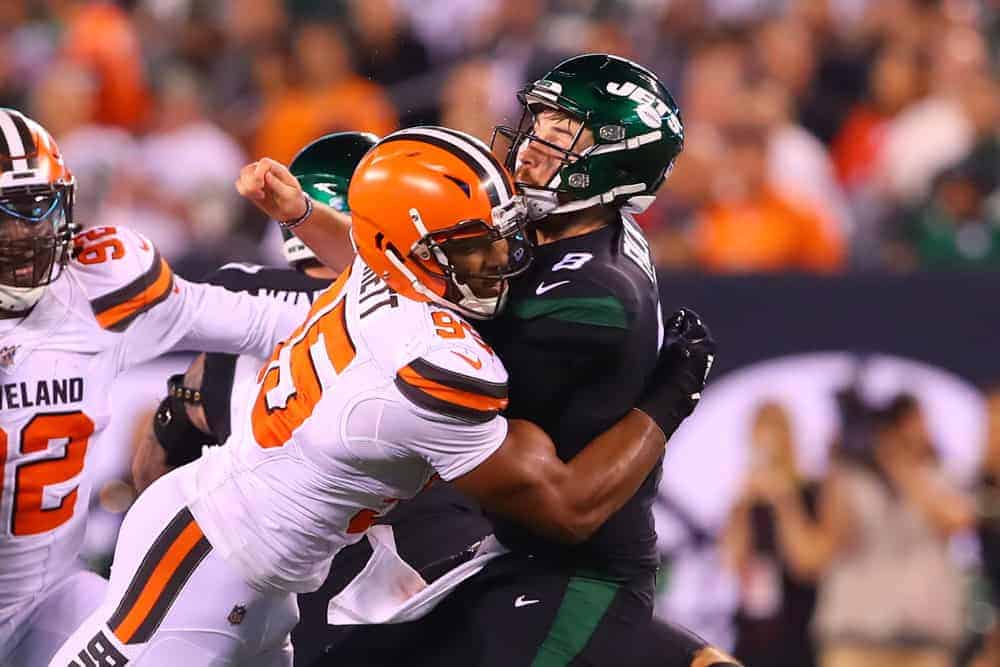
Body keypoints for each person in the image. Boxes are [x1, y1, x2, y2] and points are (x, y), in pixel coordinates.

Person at [50, 126, 712, 666]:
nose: (502, 256)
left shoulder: (386, 268)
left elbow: (370, 247)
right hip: (204, 566)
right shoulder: (431, 362)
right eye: (474, 245)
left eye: (498, 231)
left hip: (258, 571)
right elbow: (568, 508)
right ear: (414, 254)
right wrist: (670, 394)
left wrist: (306, 215)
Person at [242, 55, 738, 667]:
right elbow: (411, 262)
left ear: (618, 159)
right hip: (508, 549)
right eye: (538, 124)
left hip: (577, 564)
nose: (530, 148)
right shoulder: (557, 225)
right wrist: (304, 215)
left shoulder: (594, 295)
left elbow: (566, 507)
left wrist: (671, 399)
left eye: (560, 138)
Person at [0, 107, 307, 666]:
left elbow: (260, 319)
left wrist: (377, 313)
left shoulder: (97, 285)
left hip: (50, 600)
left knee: (211, 641)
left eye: (35, 209)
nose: (24, 235)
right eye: (2, 217)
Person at [131, 131, 377, 494]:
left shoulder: (238, 286)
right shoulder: (395, 295)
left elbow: (150, 469)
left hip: (249, 526)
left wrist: (184, 401)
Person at [721, 401, 821, 667]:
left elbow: (806, 563)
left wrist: (783, 499)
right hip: (752, 632)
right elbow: (730, 563)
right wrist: (742, 506)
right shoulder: (746, 500)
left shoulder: (810, 492)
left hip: (799, 631)